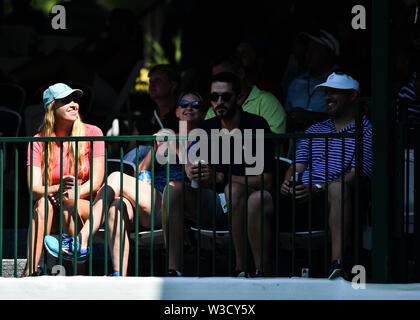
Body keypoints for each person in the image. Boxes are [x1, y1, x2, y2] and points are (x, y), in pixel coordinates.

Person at [178, 72, 275, 277]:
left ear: (239, 98)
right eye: (214, 97)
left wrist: (221, 177)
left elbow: (266, 180)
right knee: (173, 189)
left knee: (236, 190)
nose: (219, 102)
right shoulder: (205, 129)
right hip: (214, 204)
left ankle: (253, 270)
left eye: (226, 97)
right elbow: (195, 171)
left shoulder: (257, 125)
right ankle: (174, 269)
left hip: (251, 201)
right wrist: (194, 171)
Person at [279, 72, 372, 279]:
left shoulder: (365, 130)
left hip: (332, 198)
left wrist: (318, 187)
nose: (327, 97)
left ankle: (337, 264)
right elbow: (297, 166)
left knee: (336, 188)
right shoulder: (316, 129)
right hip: (302, 197)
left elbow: (357, 175)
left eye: (334, 92)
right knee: (260, 198)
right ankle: (258, 272)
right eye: (326, 92)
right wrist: (288, 181)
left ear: (352, 96)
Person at [25, 83, 105, 276]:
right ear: (51, 108)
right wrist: (57, 189)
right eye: (66, 101)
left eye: (74, 100)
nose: (73, 104)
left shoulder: (93, 133)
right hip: (53, 207)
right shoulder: (38, 140)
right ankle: (30, 273)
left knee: (69, 203)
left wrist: (67, 193)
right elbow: (34, 189)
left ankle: (80, 274)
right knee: (42, 203)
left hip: (89, 207)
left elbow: (96, 183)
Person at [204, 55, 287, 136]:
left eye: (225, 77)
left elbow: (274, 142)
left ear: (240, 73)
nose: (219, 101)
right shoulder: (214, 110)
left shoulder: (266, 101)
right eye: (216, 78)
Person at [284, 29, 340, 133]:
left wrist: (311, 117)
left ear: (329, 53)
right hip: (299, 148)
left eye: (314, 50)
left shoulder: (341, 81)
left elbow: (348, 119)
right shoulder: (296, 83)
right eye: (307, 50)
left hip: (330, 147)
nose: (308, 54)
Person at [128, 64, 181, 150]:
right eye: (151, 81)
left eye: (158, 80)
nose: (152, 85)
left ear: (173, 85)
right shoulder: (145, 117)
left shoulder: (185, 115)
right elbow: (130, 153)